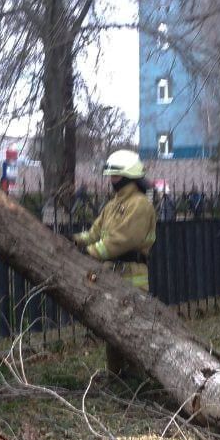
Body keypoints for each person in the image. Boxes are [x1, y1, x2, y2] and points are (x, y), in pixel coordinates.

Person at [73, 149, 157, 381]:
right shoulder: (113, 205)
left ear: (129, 176)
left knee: (132, 328)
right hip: (112, 274)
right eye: (110, 175)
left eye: (115, 175)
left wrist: (90, 252)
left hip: (132, 275)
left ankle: (136, 378)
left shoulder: (140, 205)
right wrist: (75, 240)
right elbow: (95, 233)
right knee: (112, 328)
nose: (111, 180)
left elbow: (122, 240)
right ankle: (116, 376)